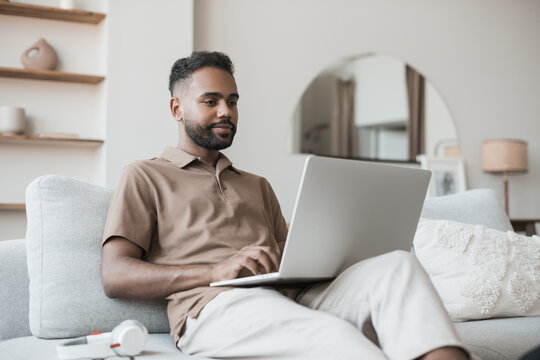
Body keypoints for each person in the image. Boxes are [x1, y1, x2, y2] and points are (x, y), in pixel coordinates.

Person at [101, 51, 472, 360]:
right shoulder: (144, 175)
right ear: (176, 109)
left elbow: (286, 256)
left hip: (290, 297)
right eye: (210, 101)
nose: (226, 111)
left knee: (398, 266)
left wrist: (327, 246)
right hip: (213, 307)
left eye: (232, 101)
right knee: (335, 337)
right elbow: (115, 276)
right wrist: (218, 269)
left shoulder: (256, 185)